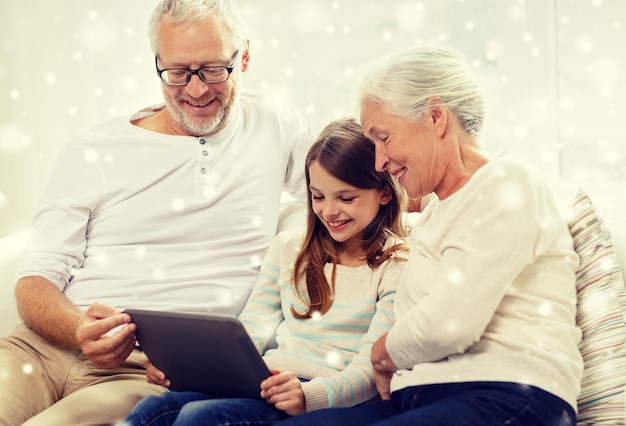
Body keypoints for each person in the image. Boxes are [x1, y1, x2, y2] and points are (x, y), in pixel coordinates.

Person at [0, 0, 312, 424]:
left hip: (145, 371)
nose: (197, 90)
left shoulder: (276, 124)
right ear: (157, 64)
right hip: (38, 349)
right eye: (178, 72)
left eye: (214, 69)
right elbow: (35, 277)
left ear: (246, 56)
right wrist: (77, 328)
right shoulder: (93, 149)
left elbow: (357, 188)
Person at [277, 46, 584, 426]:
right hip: (421, 398)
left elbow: (448, 325)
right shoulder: (438, 212)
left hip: (505, 392)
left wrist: (381, 353)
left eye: (384, 137)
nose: (379, 162)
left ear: (436, 117)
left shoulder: (507, 183)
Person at [122, 117, 409, 426]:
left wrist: (308, 396)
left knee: (201, 417)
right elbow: (250, 332)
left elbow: (372, 366)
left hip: (326, 393)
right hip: (266, 381)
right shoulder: (289, 248)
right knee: (152, 410)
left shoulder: (398, 264)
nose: (328, 211)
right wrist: (185, 369)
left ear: (384, 193)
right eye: (318, 196)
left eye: (346, 198)